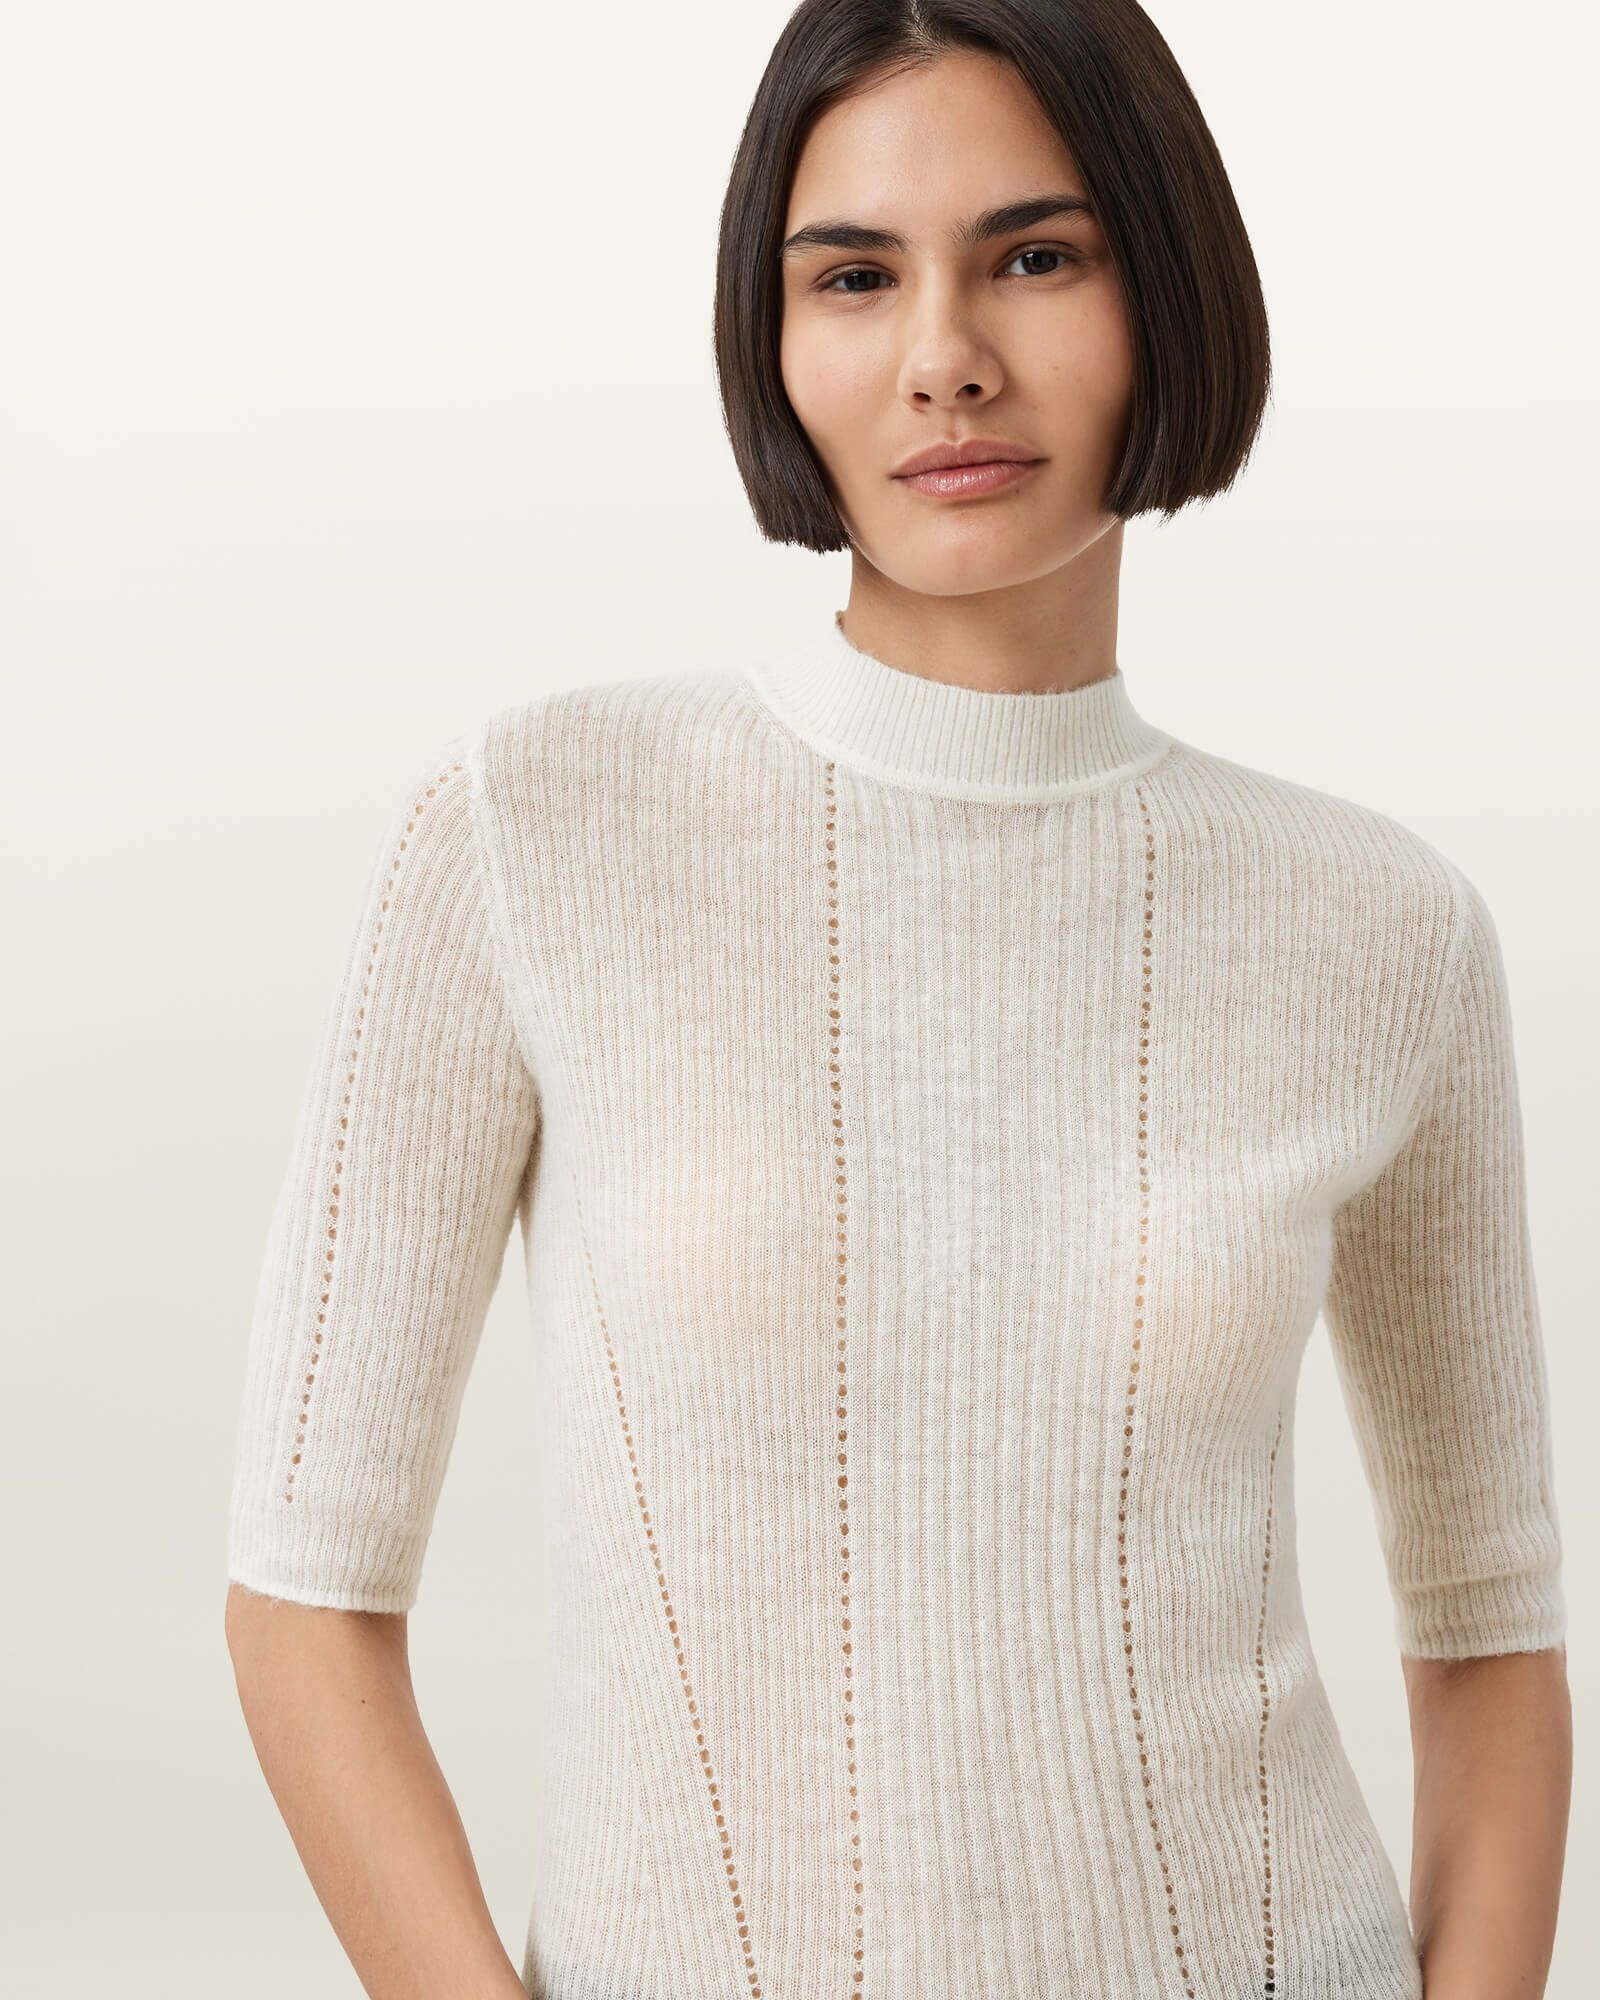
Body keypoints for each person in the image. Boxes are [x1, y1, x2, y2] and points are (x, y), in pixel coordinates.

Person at [224, 2, 1572, 1995]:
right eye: (853, 277)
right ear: (770, 338)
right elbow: (302, 1603)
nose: (946, 354)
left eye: (1037, 255)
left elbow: (1486, 1633)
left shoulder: (1382, 929)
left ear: (1166, 285)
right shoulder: (534, 831)